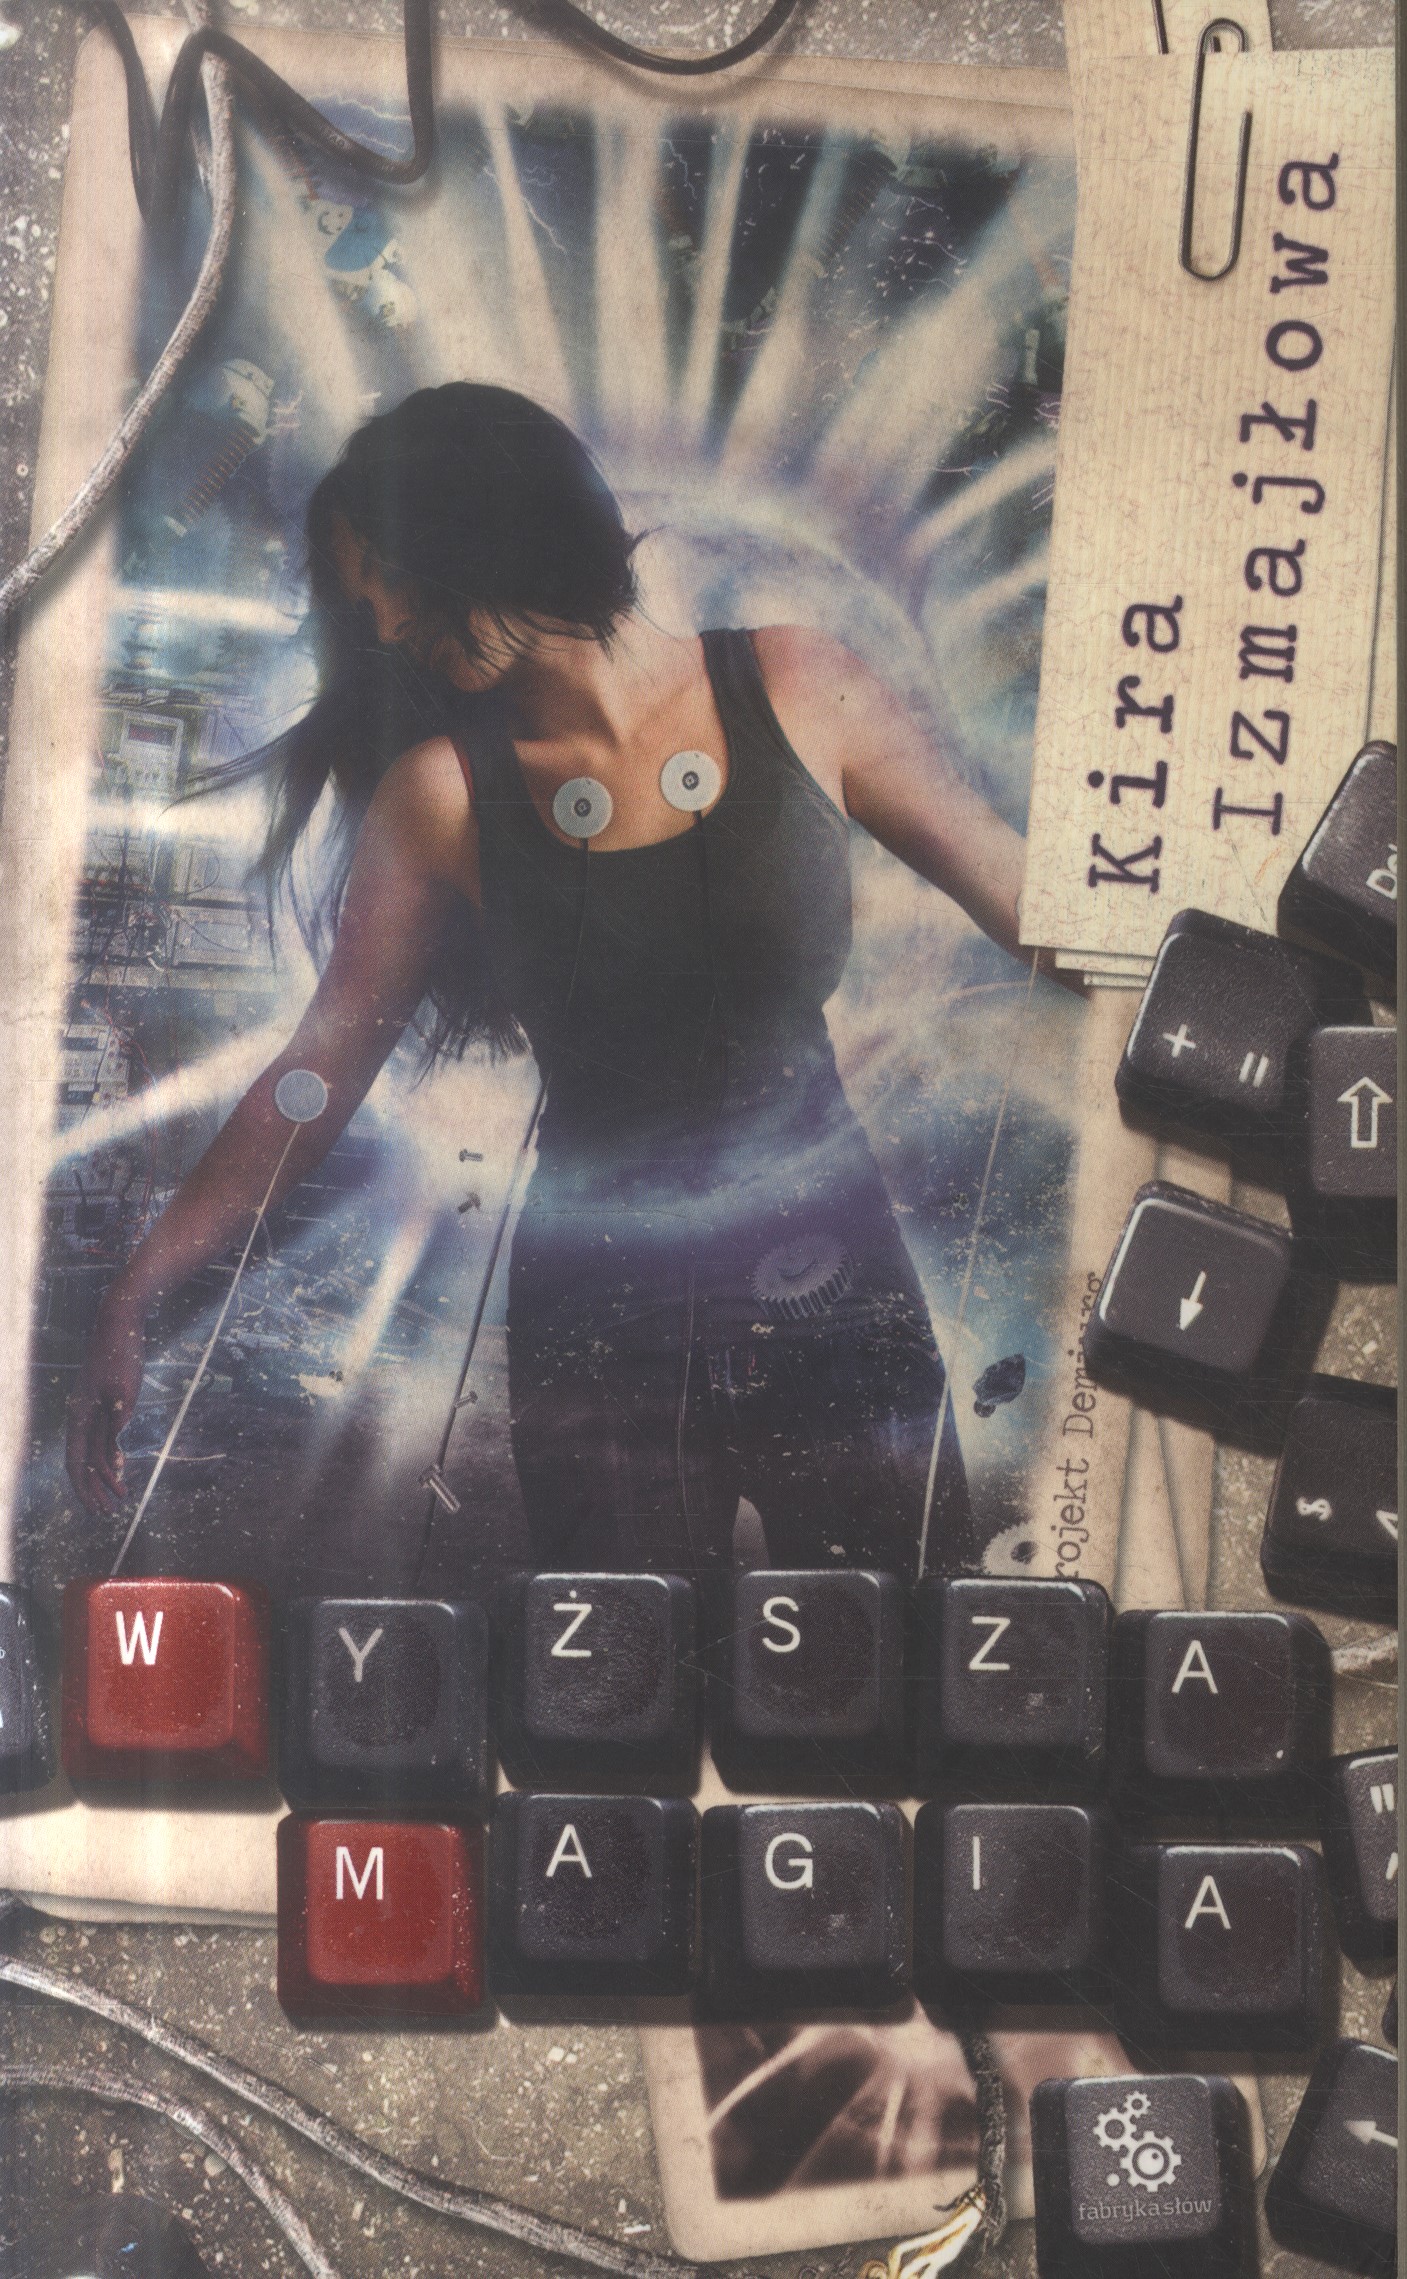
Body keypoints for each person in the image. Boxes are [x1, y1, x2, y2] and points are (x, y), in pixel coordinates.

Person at [67, 383, 1028, 1581]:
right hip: (601, 1320)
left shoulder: (794, 681)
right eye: (367, 600)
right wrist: (139, 1286)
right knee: (616, 1675)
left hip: (832, 1278)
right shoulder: (440, 796)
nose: (386, 622)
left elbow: (1019, 893)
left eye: (396, 578)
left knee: (903, 1647)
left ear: (496, 523)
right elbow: (317, 1074)